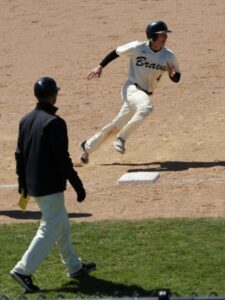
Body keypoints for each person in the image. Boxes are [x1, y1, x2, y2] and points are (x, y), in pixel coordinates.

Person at [10, 77, 96, 293]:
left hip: (34, 183)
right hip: (49, 185)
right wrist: (77, 184)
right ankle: (23, 270)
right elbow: (62, 158)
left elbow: (19, 155)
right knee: (50, 226)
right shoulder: (54, 122)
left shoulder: (25, 120)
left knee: (61, 224)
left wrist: (23, 184)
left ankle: (74, 267)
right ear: (54, 95)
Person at [80, 20, 181, 164]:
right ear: (152, 36)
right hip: (131, 89)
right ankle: (121, 139)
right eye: (161, 35)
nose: (165, 37)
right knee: (146, 107)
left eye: (165, 34)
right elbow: (116, 52)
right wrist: (100, 66)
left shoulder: (168, 56)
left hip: (144, 94)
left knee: (116, 125)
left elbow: (177, 77)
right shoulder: (137, 47)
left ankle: (87, 147)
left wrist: (172, 75)